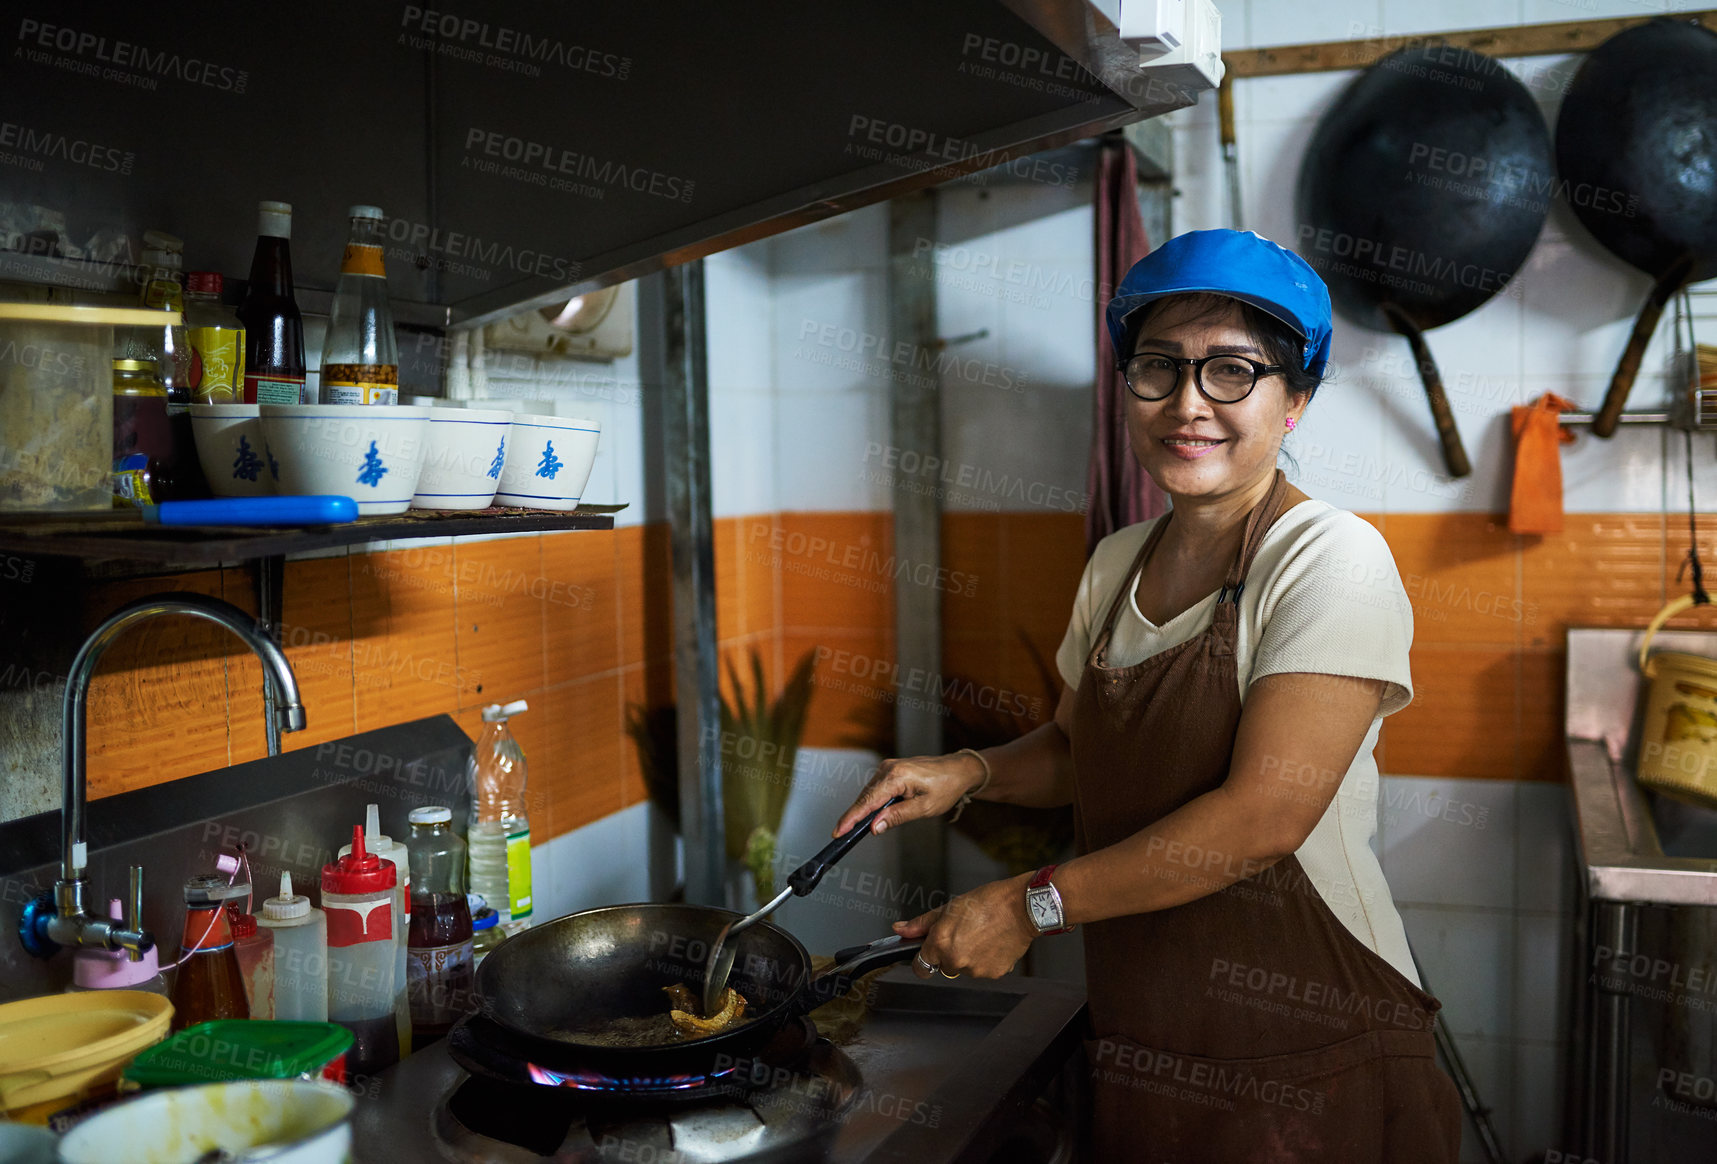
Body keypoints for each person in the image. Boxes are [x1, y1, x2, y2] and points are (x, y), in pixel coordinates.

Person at [835, 229, 1462, 1161]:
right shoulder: (1117, 561)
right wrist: (964, 772)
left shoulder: (1330, 559)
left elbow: (1262, 820)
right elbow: (1074, 749)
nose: (1187, 404)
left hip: (1310, 1050)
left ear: (1295, 401)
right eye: (1158, 368)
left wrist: (1026, 906)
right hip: (1146, 1041)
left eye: (1232, 373)